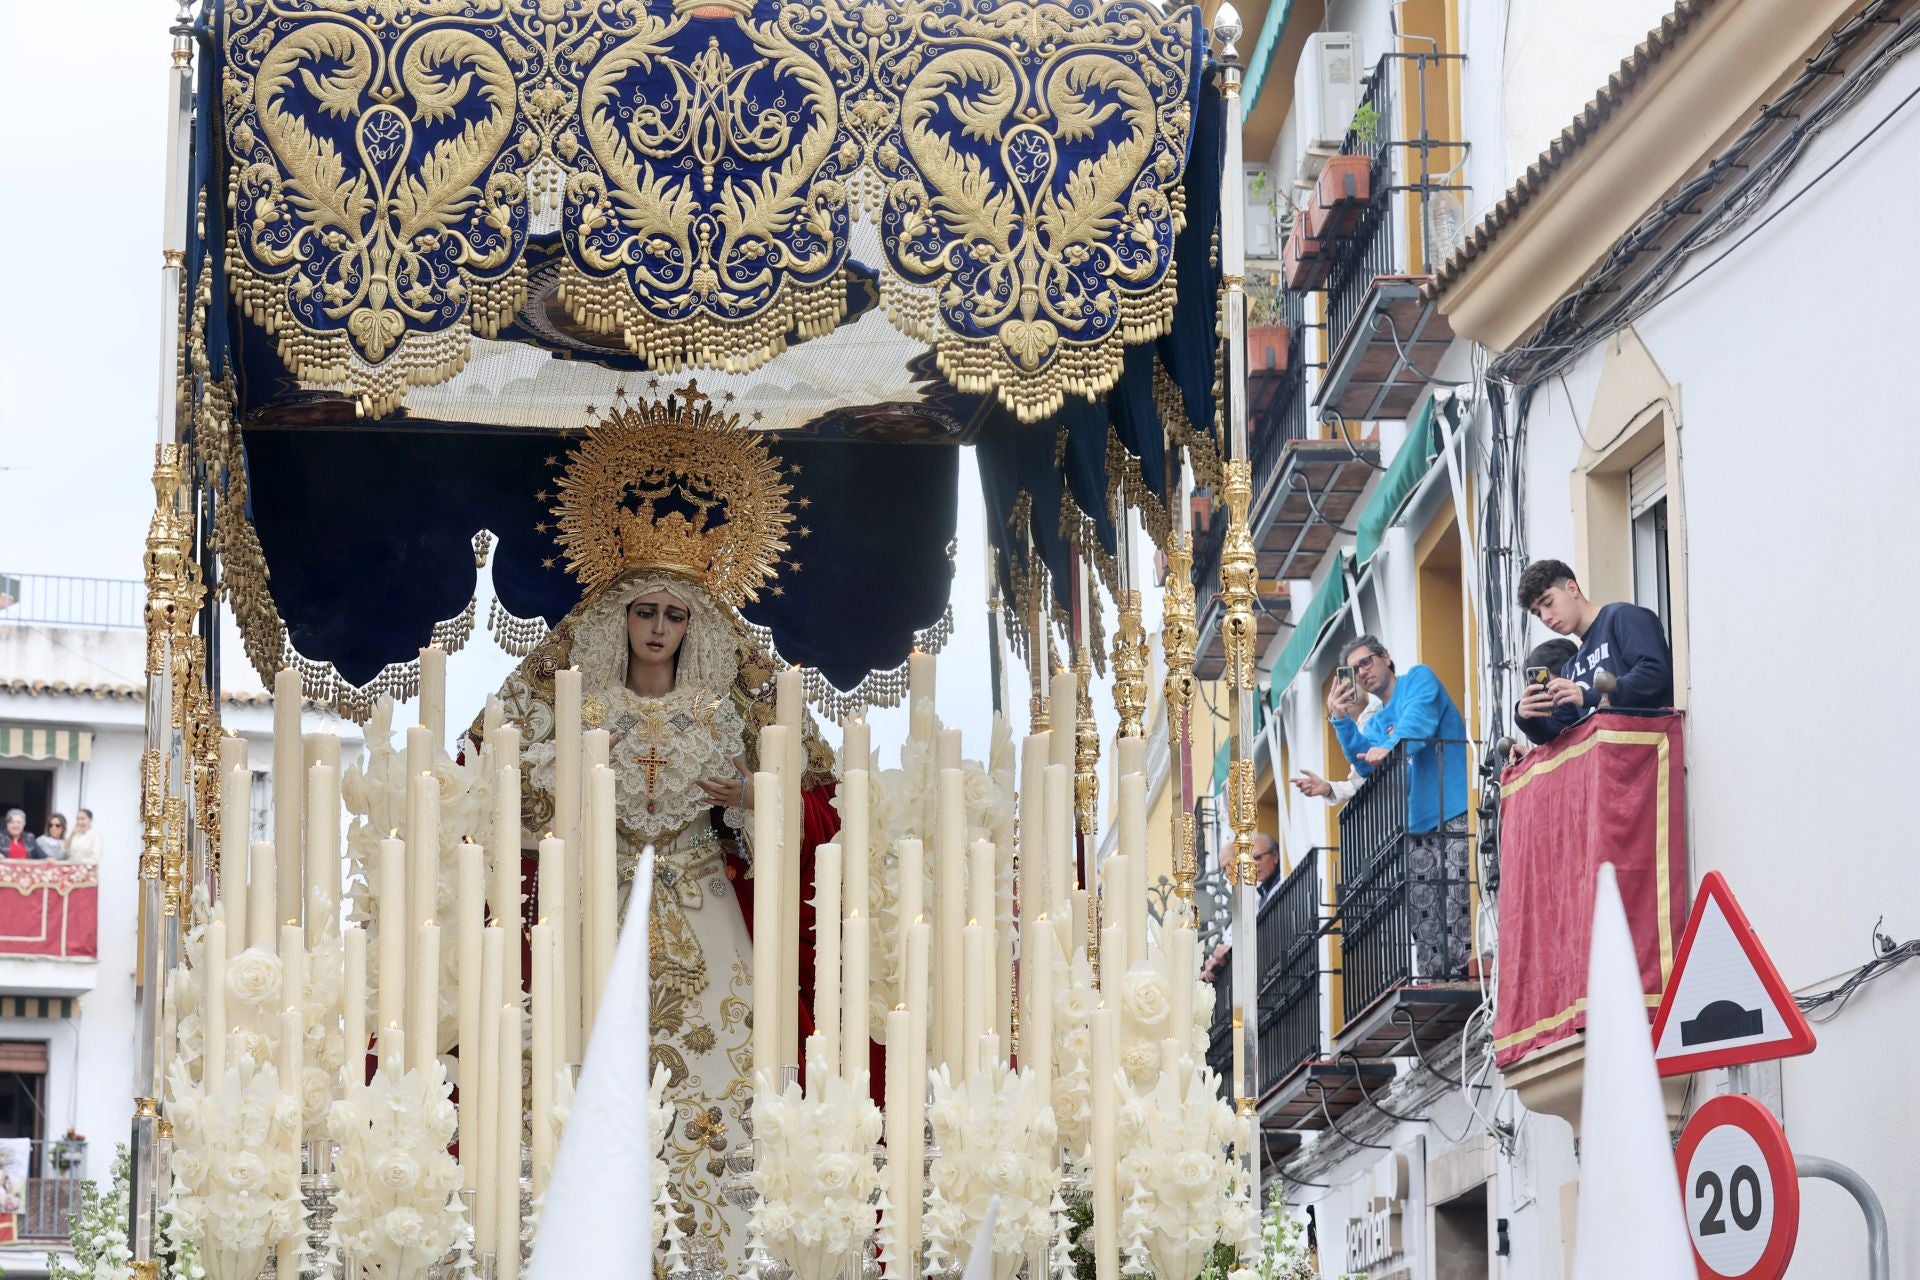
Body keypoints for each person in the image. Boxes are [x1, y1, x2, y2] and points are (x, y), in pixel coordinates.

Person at [475, 396, 839, 1275]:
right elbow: (487, 782)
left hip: (703, 903)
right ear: (617, 616)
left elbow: (819, 798)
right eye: (644, 612)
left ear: (695, 624)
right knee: (581, 1066)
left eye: (675, 616)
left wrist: (750, 795)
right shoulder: (577, 703)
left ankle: (722, 1250)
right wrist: (554, 797)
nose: (658, 630)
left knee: (724, 1077)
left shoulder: (729, 706)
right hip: (597, 904)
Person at [1329, 635, 1471, 979]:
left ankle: (1465, 976)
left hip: (1455, 809)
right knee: (1424, 916)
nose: (1362, 672)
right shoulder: (1376, 721)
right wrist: (1341, 718)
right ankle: (1434, 982)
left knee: (1457, 903)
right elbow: (1364, 763)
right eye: (1354, 669)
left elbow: (1417, 726)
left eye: (1366, 662)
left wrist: (1390, 747)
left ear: (1386, 658)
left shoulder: (1419, 679)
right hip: (1417, 825)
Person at [1513, 558, 1673, 745]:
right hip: (1607, 766)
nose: (1546, 617)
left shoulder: (1622, 617)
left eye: (1548, 602)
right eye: (1538, 613)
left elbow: (1655, 673)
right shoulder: (1570, 667)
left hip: (1647, 755)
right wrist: (1526, 716)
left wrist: (1589, 695)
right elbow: (1559, 733)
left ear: (1572, 588)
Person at [1200, 833, 1279, 984]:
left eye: (1231, 864)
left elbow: (1251, 929)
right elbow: (1230, 940)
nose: (1228, 872)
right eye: (1224, 869)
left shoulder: (1258, 890)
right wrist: (1214, 962)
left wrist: (1226, 953)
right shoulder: (1242, 897)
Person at [1292, 690, 1381, 803]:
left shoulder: (1372, 723)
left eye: (1332, 714)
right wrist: (1328, 788)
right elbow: (1359, 783)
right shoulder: (1381, 714)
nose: (1334, 721)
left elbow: (1366, 772)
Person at [1507, 639, 1576, 765]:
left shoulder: (1577, 703)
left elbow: (1556, 727)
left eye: (1552, 686)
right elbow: (1547, 734)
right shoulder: (1553, 713)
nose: (1549, 694)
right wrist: (1524, 716)